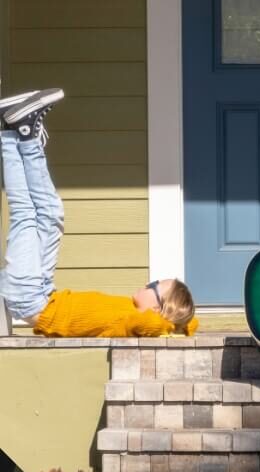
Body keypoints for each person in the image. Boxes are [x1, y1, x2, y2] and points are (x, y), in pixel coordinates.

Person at [0, 90, 198, 338]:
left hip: (29, 298)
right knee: (51, 215)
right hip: (44, 293)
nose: (147, 283)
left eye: (153, 287)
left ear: (159, 308)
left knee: (26, 214)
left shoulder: (132, 322)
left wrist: (175, 323)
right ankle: (18, 130)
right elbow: (183, 323)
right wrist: (185, 321)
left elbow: (157, 326)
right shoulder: (130, 310)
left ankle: (18, 136)